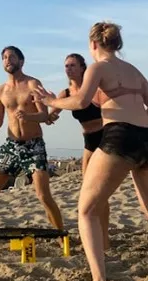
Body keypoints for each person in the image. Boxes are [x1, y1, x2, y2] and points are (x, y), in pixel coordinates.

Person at [33, 22, 148, 281]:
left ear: (93, 44)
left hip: (120, 138)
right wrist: (136, 125)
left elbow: (80, 102)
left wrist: (51, 102)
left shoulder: (98, 67)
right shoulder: (134, 70)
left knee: (86, 211)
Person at [0, 46, 65, 247]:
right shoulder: (0, 91)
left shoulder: (33, 84)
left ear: (21, 61)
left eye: (12, 57)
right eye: (5, 57)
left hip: (34, 146)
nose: (8, 60)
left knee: (43, 195)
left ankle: (61, 236)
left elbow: (44, 115)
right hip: (11, 146)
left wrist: (28, 116)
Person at [46, 53, 111, 250]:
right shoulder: (65, 93)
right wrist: (43, 106)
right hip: (88, 141)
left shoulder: (95, 88)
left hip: (105, 137)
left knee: (100, 192)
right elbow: (50, 117)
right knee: (88, 191)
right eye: (66, 66)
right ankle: (93, 235)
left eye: (73, 65)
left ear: (83, 67)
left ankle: (105, 241)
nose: (69, 69)